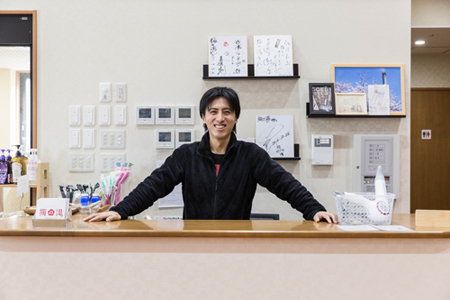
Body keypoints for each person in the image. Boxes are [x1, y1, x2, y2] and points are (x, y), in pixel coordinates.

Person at [84, 87, 337, 223]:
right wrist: (120, 210)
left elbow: (286, 185)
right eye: (213, 111)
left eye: (227, 111)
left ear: (236, 117)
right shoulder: (186, 155)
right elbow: (153, 186)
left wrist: (314, 210)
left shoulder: (251, 155)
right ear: (203, 117)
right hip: (194, 242)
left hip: (237, 244)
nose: (220, 118)